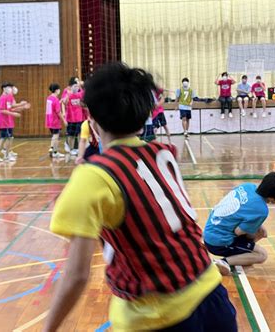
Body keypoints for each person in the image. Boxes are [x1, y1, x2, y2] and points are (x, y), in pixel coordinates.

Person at [44, 63, 237, 332]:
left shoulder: (94, 176)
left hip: (158, 315)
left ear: (92, 120)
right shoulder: (164, 153)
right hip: (212, 293)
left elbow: (77, 275)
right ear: (146, 113)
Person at [203, 172, 275, 270]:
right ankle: (222, 262)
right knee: (262, 255)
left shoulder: (247, 186)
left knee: (260, 231)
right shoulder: (261, 210)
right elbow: (238, 232)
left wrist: (257, 226)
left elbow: (243, 211)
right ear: (273, 199)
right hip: (218, 243)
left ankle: (242, 254)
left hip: (208, 232)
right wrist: (253, 232)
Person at [0, 83, 30, 162]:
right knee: (4, 138)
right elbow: (2, 110)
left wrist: (22, 107)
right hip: (3, 122)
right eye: (9, 87)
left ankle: (6, 155)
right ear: (4, 89)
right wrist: (14, 114)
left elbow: (11, 108)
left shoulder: (8, 98)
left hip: (8, 122)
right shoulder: (3, 98)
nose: (11, 89)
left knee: (9, 138)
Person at [62, 77, 85, 156]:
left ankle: (78, 148)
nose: (77, 86)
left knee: (79, 134)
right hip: (70, 118)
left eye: (77, 84)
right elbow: (64, 102)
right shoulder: (67, 92)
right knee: (71, 135)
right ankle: (70, 147)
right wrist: (69, 94)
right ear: (71, 86)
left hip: (79, 117)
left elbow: (84, 102)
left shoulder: (81, 92)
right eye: (75, 84)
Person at [46, 83, 67, 159]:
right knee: (56, 135)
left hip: (49, 120)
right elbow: (58, 112)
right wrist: (64, 120)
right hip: (55, 121)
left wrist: (60, 101)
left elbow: (53, 107)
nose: (59, 91)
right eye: (59, 89)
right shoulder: (55, 99)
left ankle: (54, 150)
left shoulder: (49, 98)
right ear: (56, 90)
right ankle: (53, 150)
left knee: (54, 135)